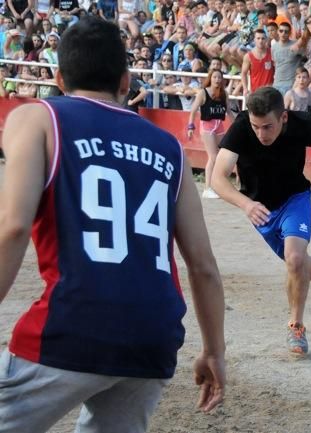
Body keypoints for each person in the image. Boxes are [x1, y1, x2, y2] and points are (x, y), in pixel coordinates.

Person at [0, 17, 226, 433]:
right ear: (125, 81)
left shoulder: (38, 118)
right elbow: (203, 265)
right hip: (153, 339)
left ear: (58, 77)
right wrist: (215, 351)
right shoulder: (170, 148)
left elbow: (12, 228)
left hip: (74, 322)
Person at [212, 86, 311, 356]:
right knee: (298, 263)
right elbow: (217, 178)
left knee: (294, 259)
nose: (261, 134)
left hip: (295, 199)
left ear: (283, 117)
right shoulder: (241, 128)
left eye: (267, 127)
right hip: (260, 209)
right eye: (256, 127)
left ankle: (296, 326)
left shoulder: (303, 124)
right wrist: (246, 204)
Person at [188, 69, 234, 199]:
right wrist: (190, 126)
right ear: (210, 78)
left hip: (219, 126)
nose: (217, 80)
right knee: (213, 157)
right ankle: (208, 187)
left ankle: (213, 186)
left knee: (218, 156)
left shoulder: (224, 94)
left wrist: (236, 125)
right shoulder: (203, 93)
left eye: (219, 77)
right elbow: (193, 110)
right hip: (207, 127)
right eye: (215, 77)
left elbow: (229, 111)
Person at [241, 28, 275, 95]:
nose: (260, 41)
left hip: (270, 92)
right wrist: (245, 88)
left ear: (266, 40)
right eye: (258, 38)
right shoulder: (248, 56)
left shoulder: (272, 52)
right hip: (256, 93)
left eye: (263, 38)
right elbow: (243, 73)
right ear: (254, 40)